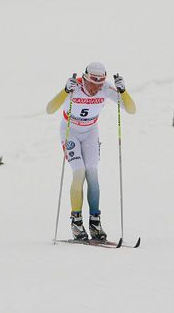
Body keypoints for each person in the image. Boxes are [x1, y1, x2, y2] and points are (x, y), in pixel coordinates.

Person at [45, 63, 136, 242]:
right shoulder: (74, 88)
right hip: (70, 130)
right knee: (79, 171)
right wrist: (64, 90)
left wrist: (123, 91)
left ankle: (95, 222)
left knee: (92, 172)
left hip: (90, 132)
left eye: (100, 84)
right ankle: (76, 222)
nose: (96, 88)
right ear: (85, 79)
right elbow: (50, 109)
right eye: (92, 84)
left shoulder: (106, 89)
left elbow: (131, 110)